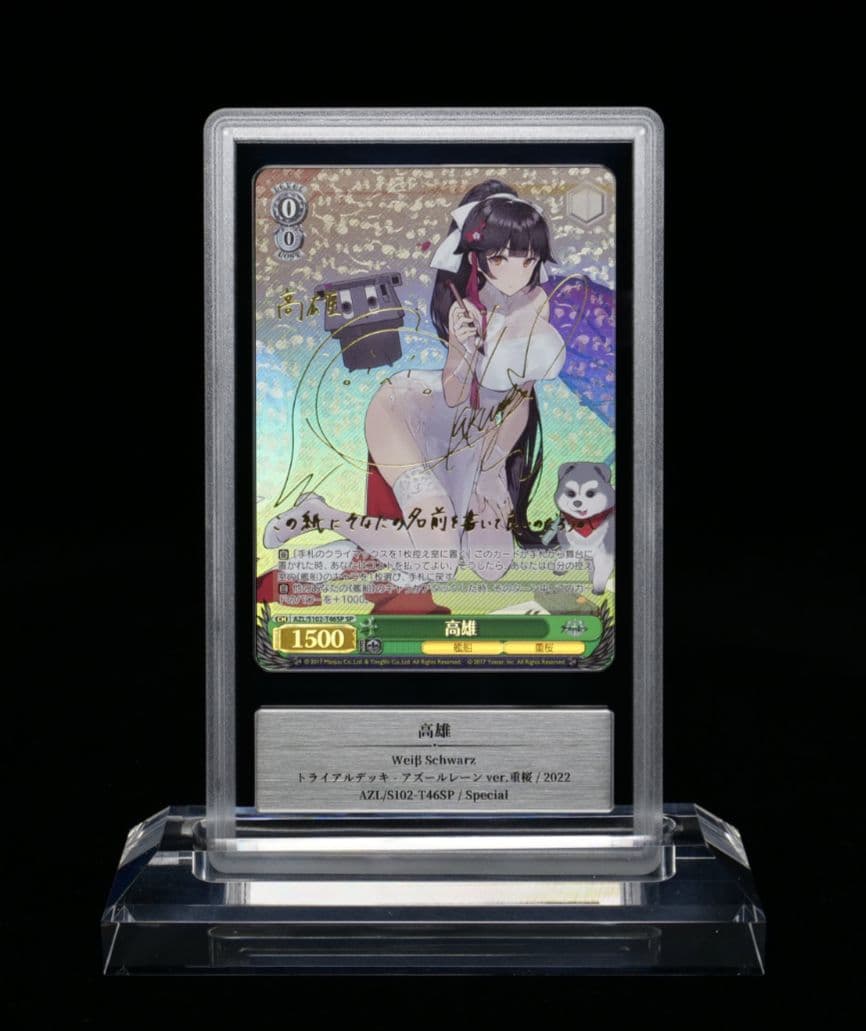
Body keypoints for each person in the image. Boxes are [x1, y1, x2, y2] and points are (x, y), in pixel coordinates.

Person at [263, 178, 566, 613]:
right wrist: (463, 349)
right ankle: (320, 514)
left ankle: (365, 547)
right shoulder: (463, 306)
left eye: (528, 257)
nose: (517, 269)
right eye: (501, 257)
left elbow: (522, 398)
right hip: (407, 414)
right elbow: (455, 392)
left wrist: (491, 470)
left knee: (491, 564)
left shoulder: (536, 303)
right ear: (477, 259)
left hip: (473, 433)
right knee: (438, 559)